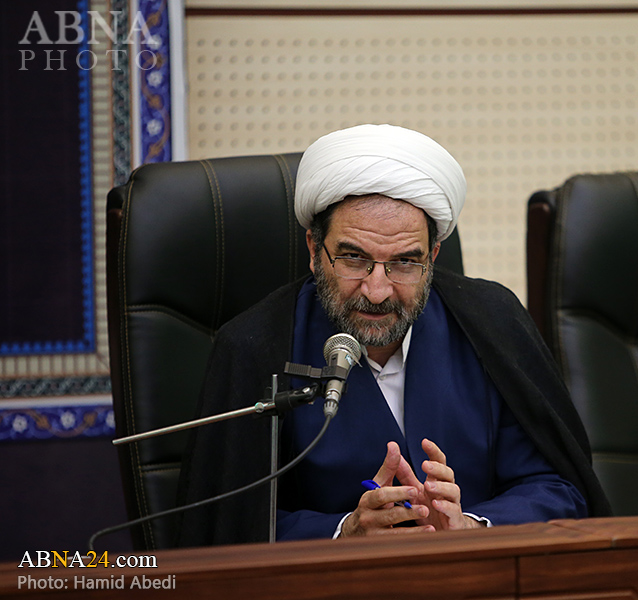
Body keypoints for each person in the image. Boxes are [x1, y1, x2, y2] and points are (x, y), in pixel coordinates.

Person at [176, 124, 609, 546]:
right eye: (353, 258)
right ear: (314, 249)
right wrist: (343, 533)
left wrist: (472, 528)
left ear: (433, 256)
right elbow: (225, 526)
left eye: (404, 262)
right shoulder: (254, 346)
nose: (377, 290)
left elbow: (560, 489)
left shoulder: (492, 323)